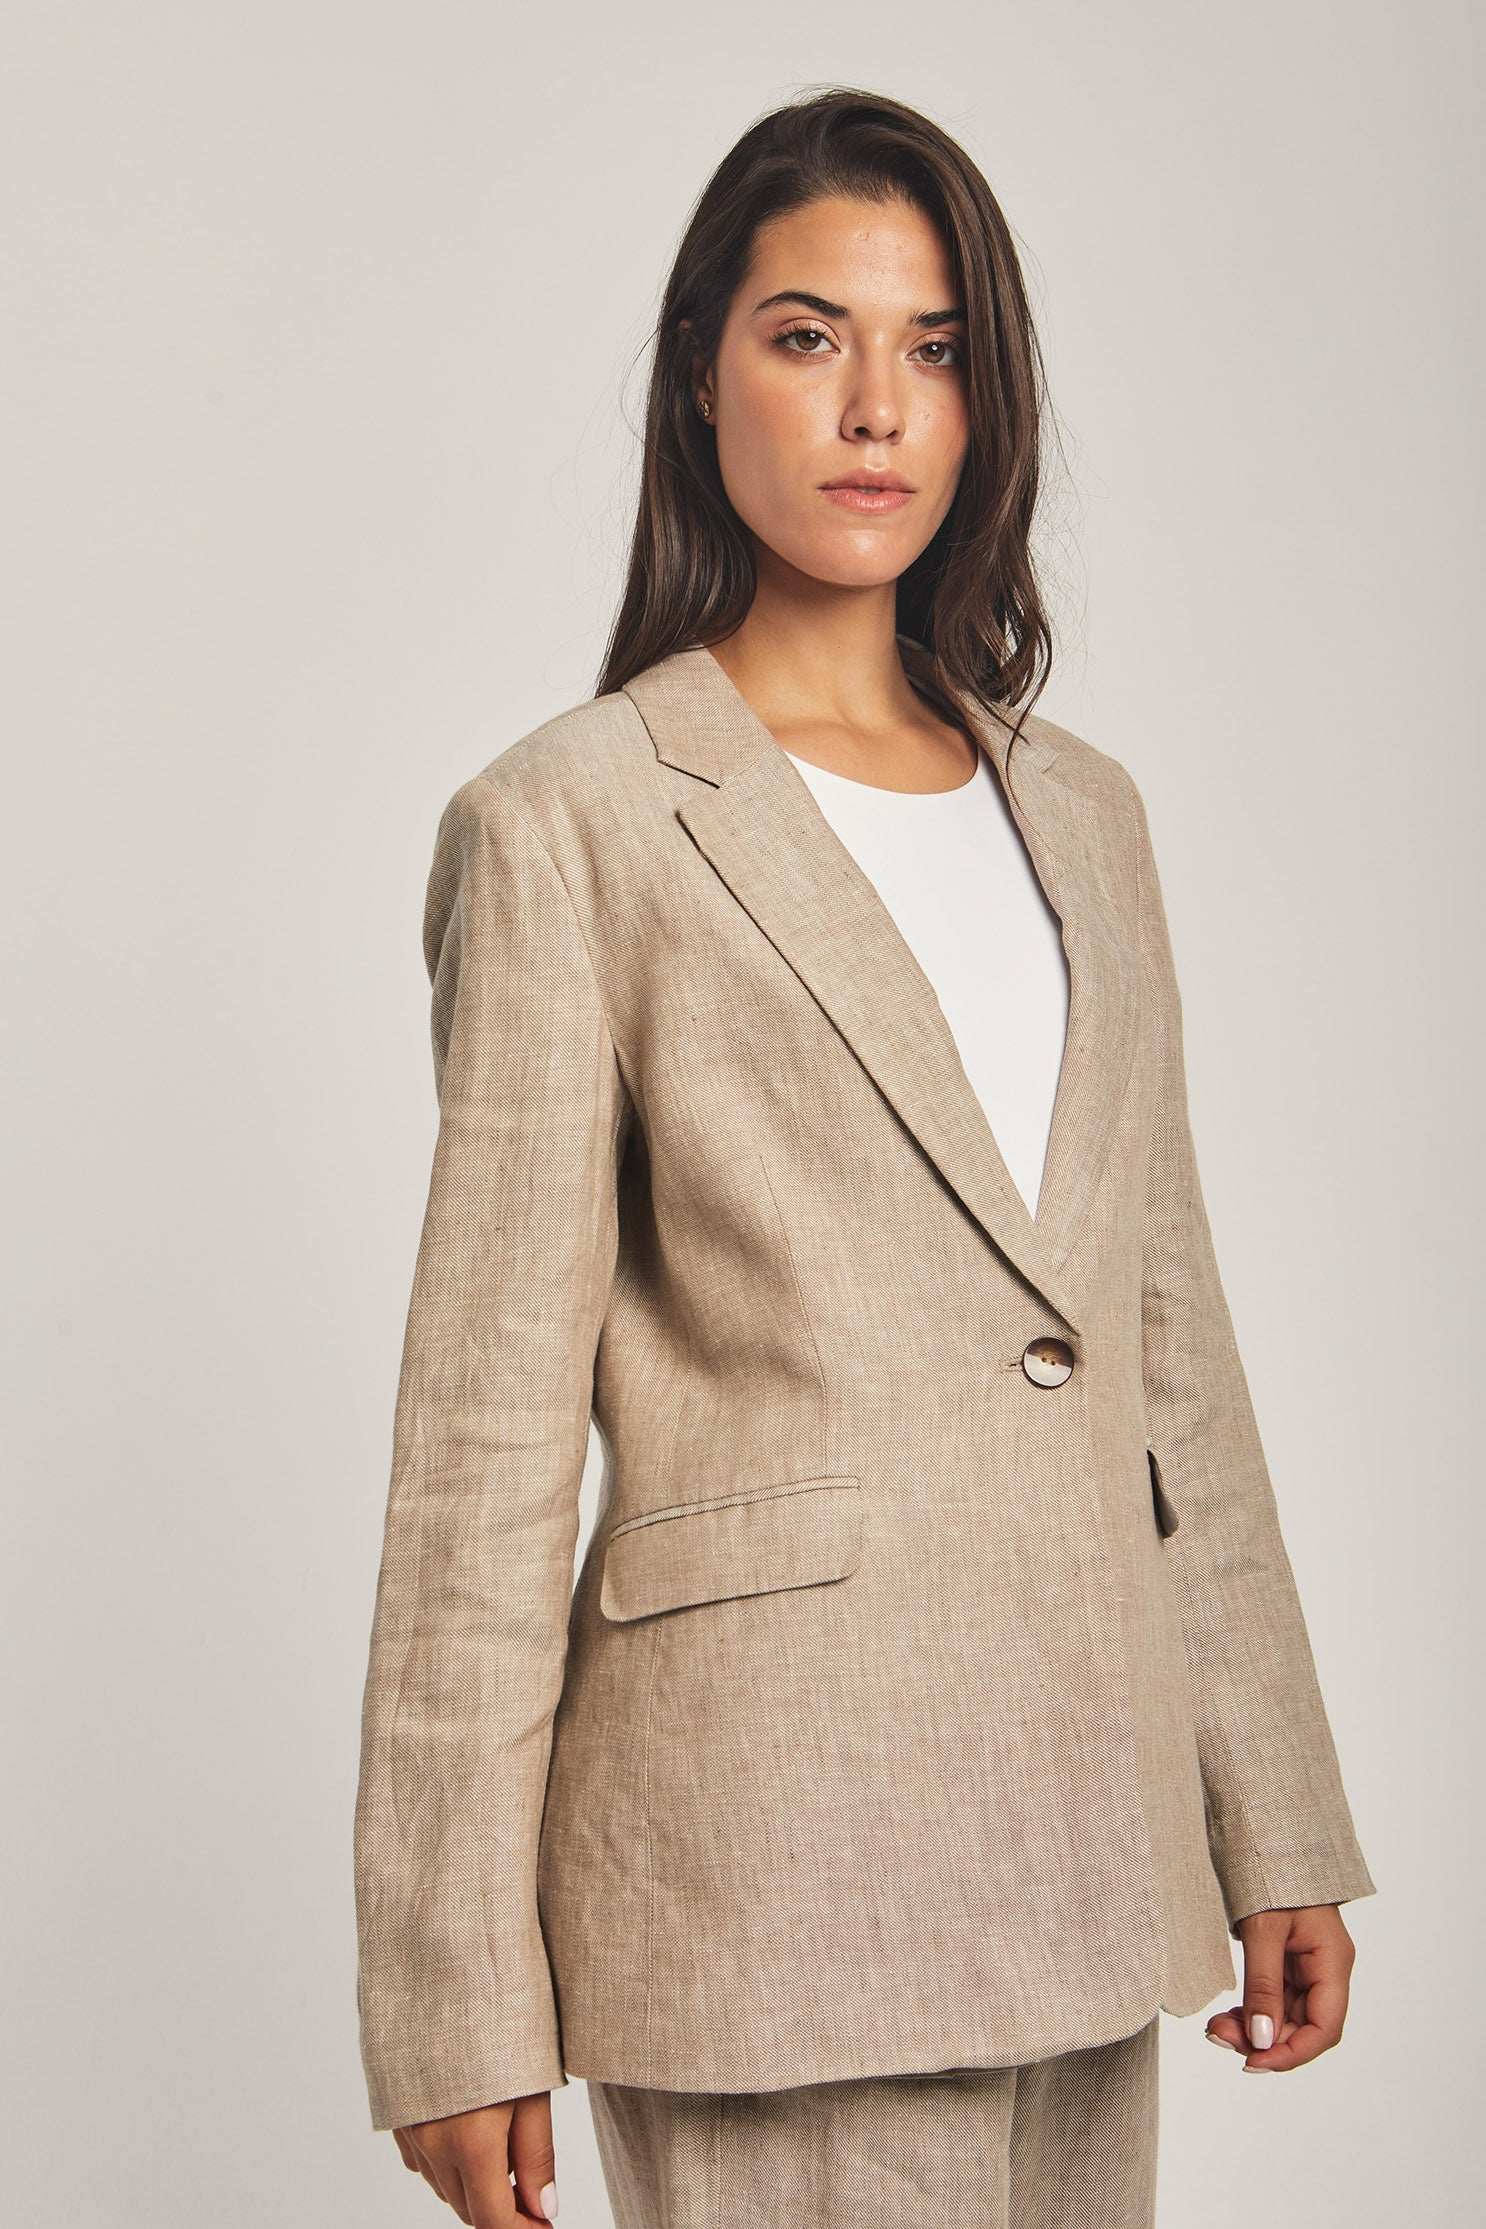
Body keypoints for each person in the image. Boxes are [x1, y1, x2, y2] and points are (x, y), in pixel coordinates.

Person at [353, 86, 1377, 2229]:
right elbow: (479, 1450)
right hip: (764, 1868)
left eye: (931, 350)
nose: (872, 407)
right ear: (696, 378)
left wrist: (1271, 1809)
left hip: (1091, 1835)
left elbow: (1160, 1341)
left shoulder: (1080, 814)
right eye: (807, 336)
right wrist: (449, 1988)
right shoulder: (573, 821)